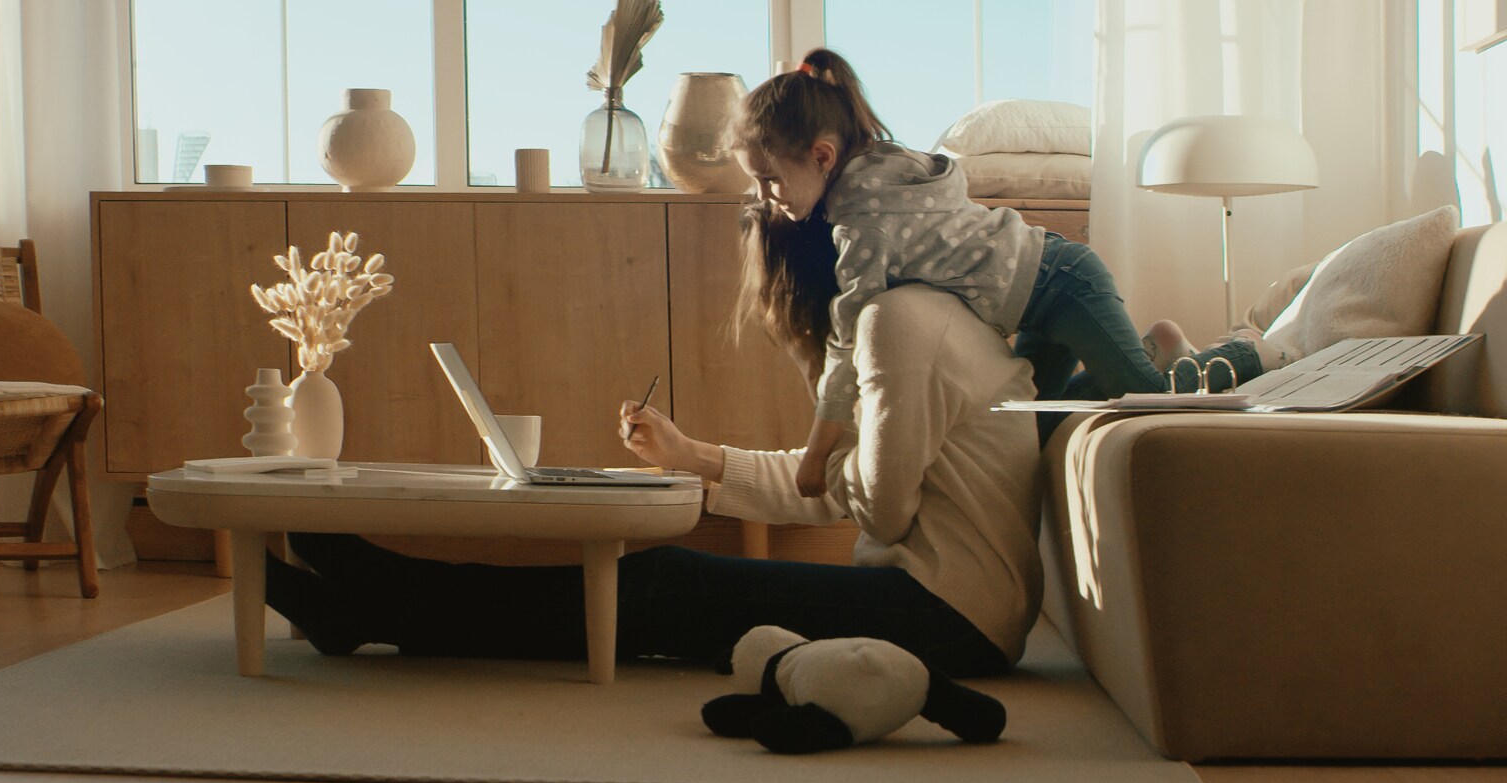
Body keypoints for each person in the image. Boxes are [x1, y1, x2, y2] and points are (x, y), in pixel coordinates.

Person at [263, 212, 1050, 681]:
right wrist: (693, 455)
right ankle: (380, 594)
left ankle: (375, 606)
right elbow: (850, 486)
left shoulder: (898, 327)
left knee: (666, 587)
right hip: (945, 603)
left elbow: (878, 506)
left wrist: (813, 450)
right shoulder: (921, 318)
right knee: (666, 585)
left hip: (953, 620)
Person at [734, 50, 1271, 487]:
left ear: (822, 157)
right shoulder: (883, 170)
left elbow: (847, 340)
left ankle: (1250, 351)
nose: (763, 196)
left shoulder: (863, 220)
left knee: (1148, 394)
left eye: (769, 179)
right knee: (1033, 427)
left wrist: (815, 456)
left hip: (1062, 283)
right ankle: (1155, 346)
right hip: (1034, 300)